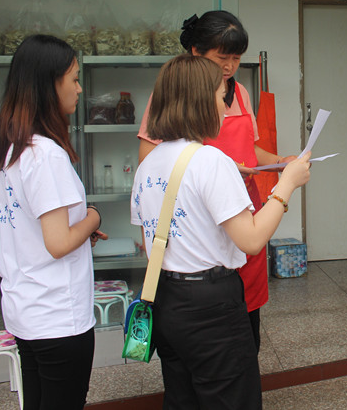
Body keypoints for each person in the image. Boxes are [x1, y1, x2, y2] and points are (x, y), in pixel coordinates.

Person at [131, 54, 310, 409]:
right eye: (219, 95)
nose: (224, 106)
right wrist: (286, 185)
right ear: (199, 102)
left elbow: (150, 243)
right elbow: (252, 240)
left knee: (182, 399)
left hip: (166, 299)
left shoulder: (147, 165)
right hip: (212, 308)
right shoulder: (210, 161)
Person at [137, 10, 294, 351]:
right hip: (200, 219)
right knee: (213, 314)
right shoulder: (174, 96)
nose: (230, 67)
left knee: (245, 311)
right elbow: (150, 160)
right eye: (222, 58)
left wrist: (281, 162)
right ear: (196, 52)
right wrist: (219, 169)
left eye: (236, 59)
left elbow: (252, 148)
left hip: (243, 208)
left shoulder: (241, 93)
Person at [0, 34, 106, 410]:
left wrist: (77, 229)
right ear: (48, 85)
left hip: (24, 310)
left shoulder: (9, 146)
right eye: (74, 78)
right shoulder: (45, 154)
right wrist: (92, 218)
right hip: (57, 315)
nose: (79, 88)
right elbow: (58, 243)